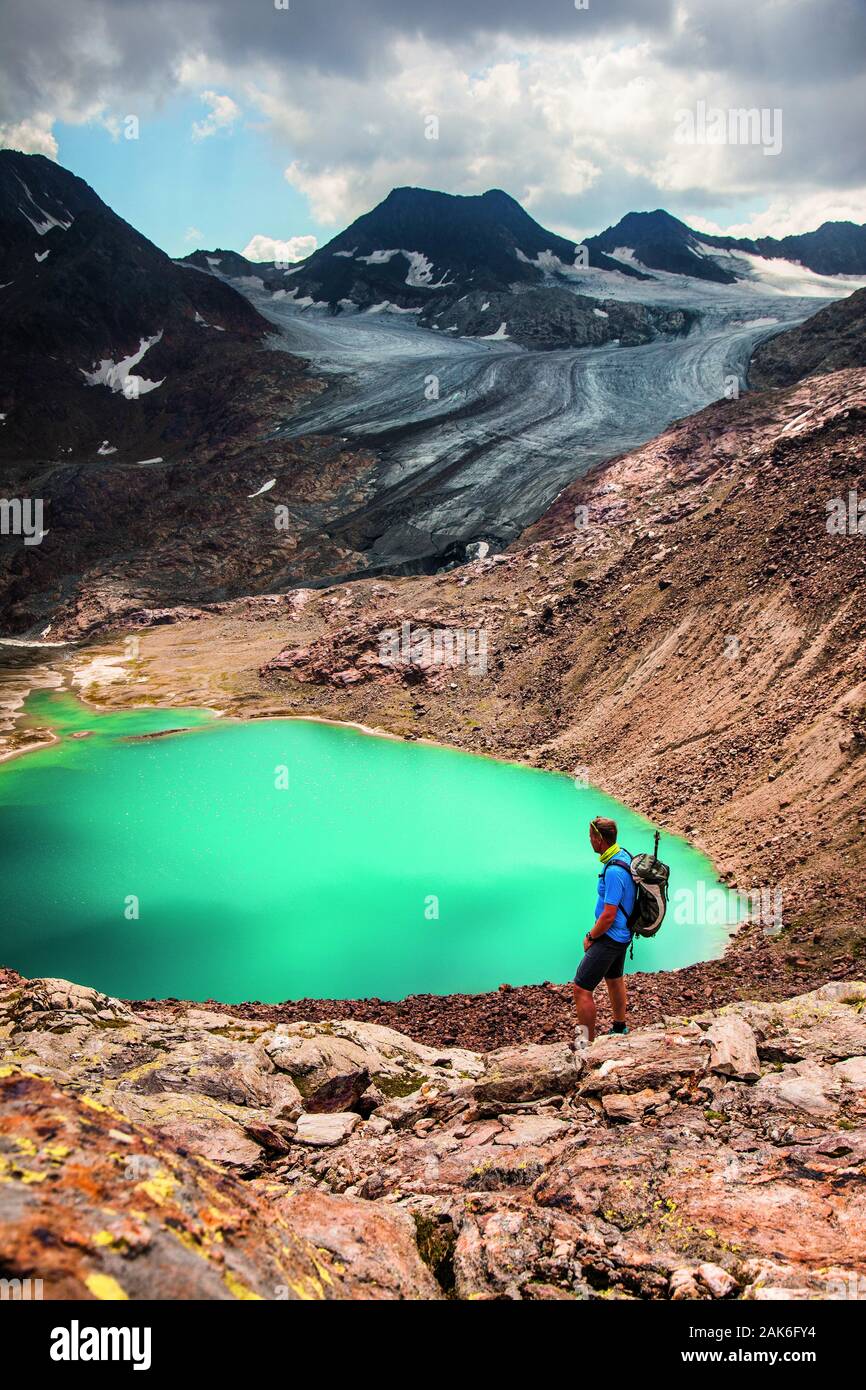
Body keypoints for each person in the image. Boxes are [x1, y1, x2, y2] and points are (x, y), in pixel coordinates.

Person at [573, 816, 636, 1046]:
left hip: (609, 937)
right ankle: (620, 1028)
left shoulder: (613, 872)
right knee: (614, 978)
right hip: (623, 934)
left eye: (591, 836)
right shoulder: (624, 856)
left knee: (581, 988)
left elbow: (608, 915)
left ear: (600, 839)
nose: (589, 841)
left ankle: (584, 1045)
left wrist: (591, 936)